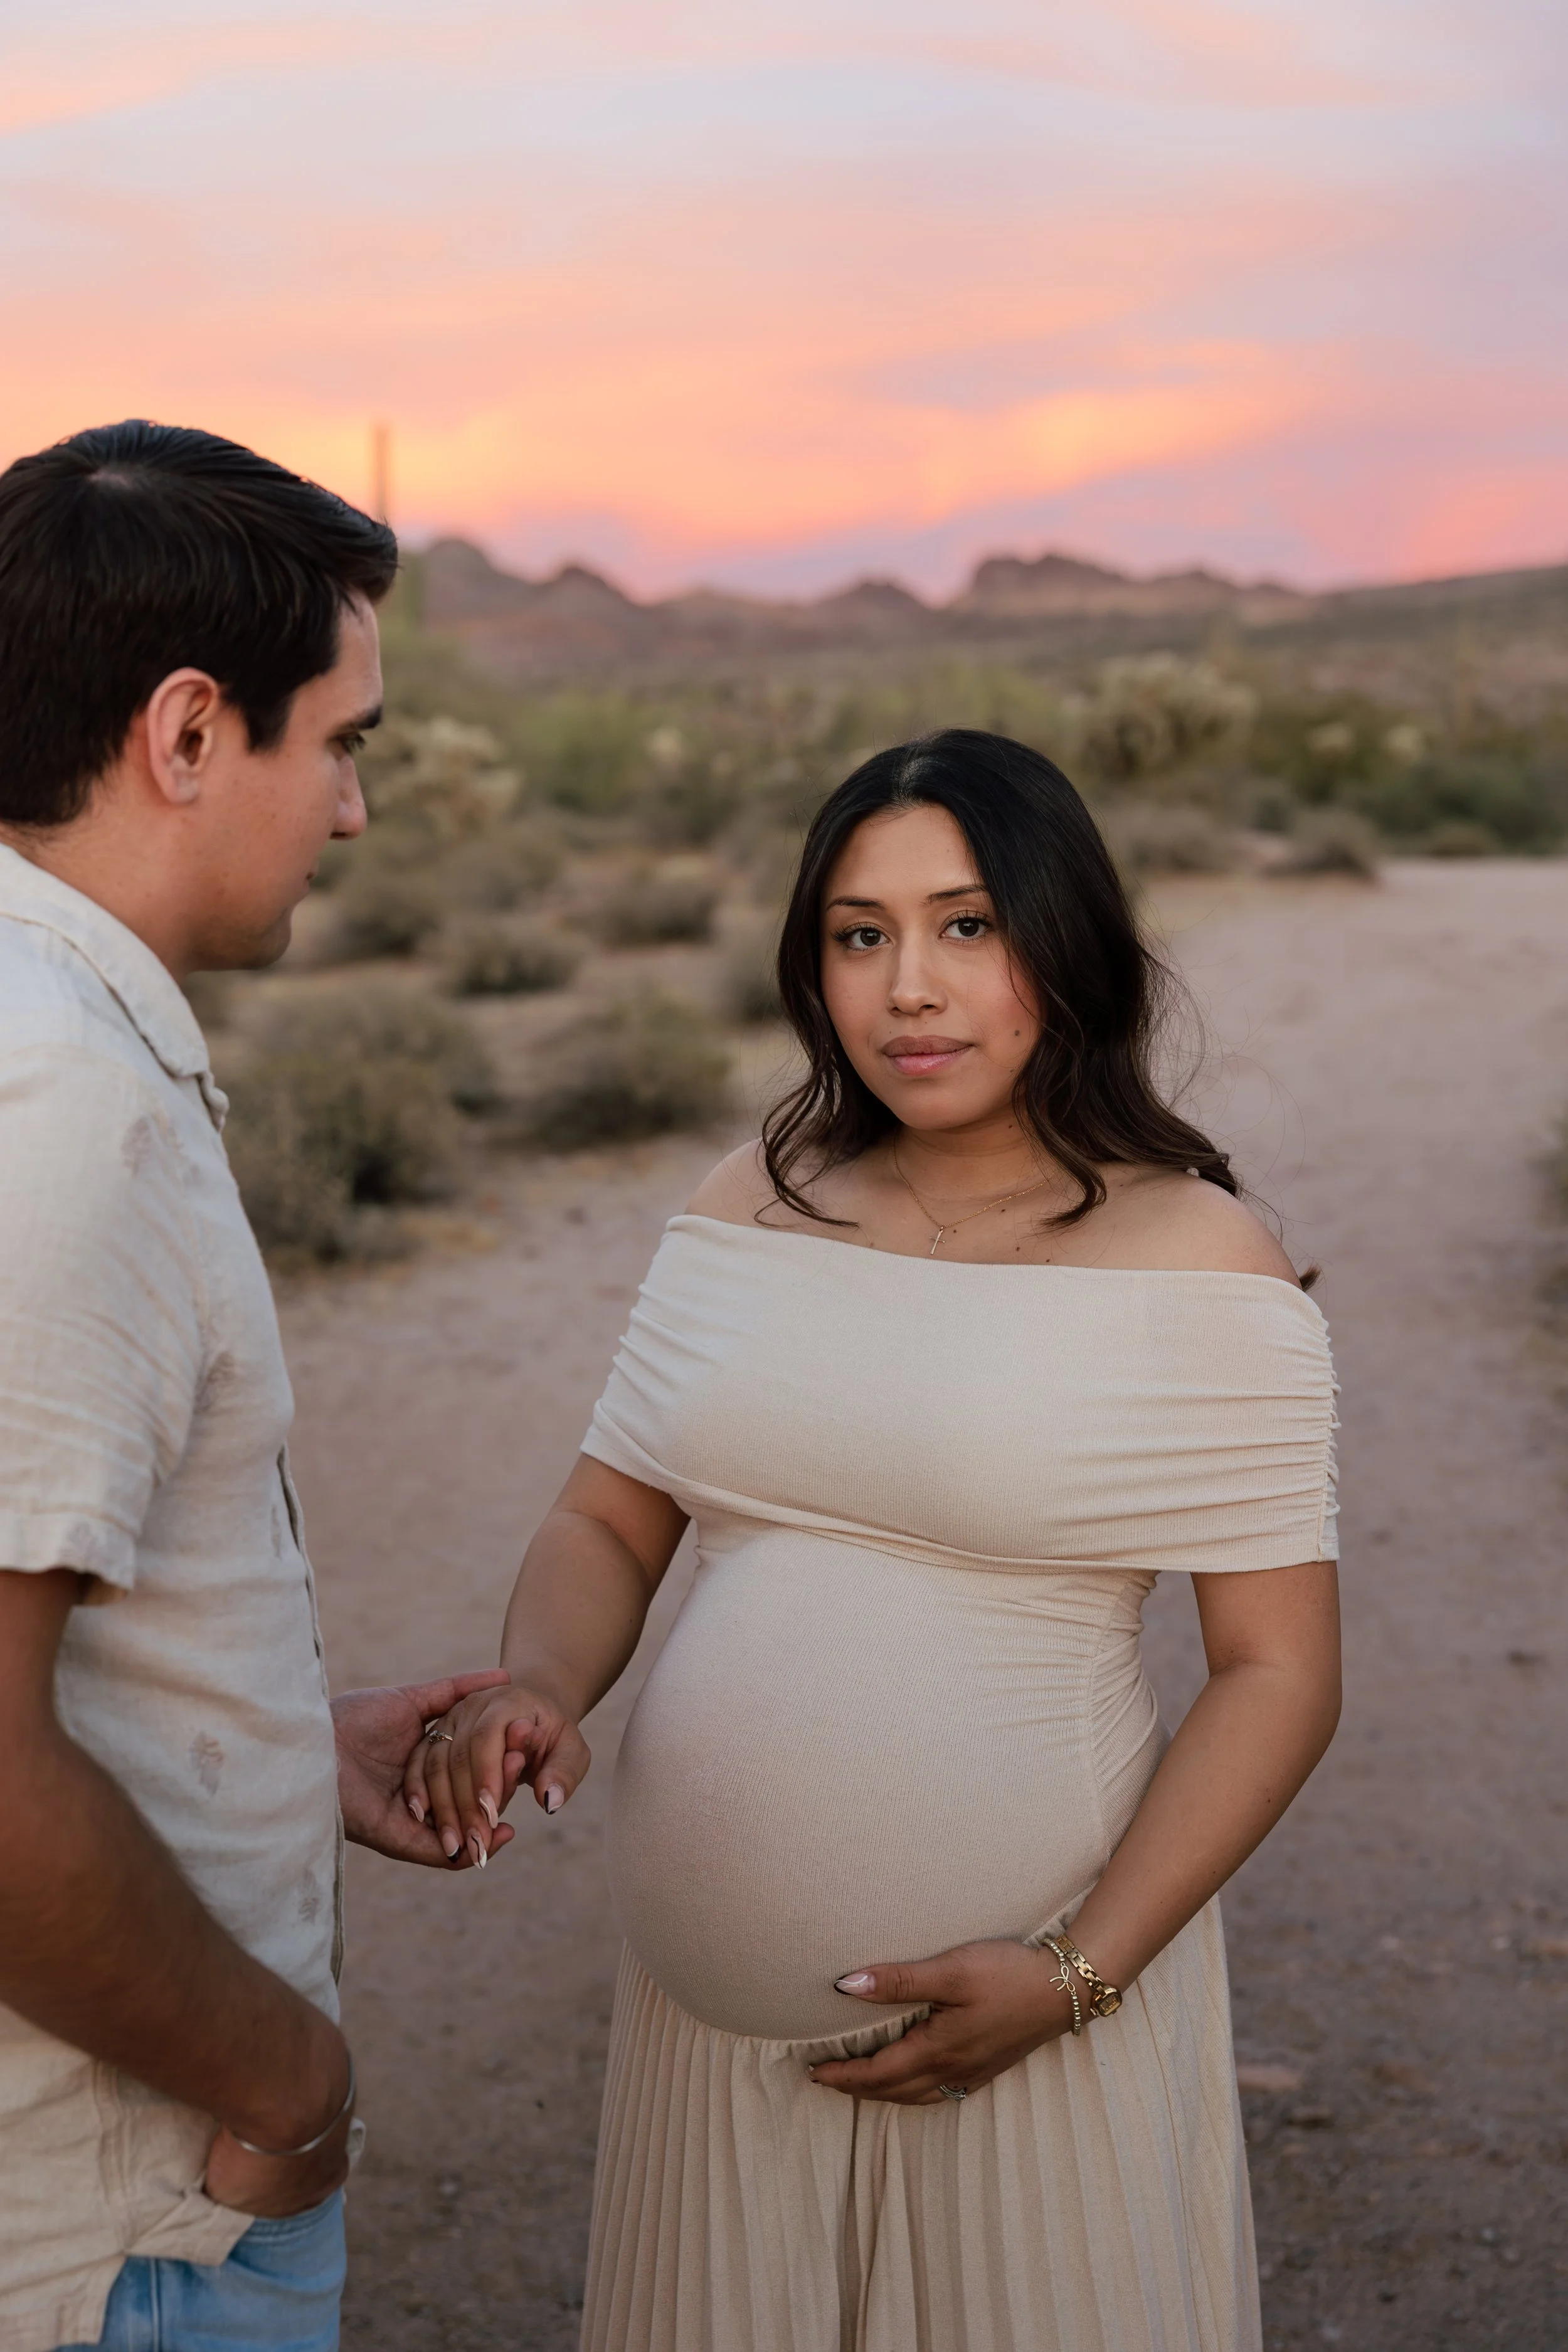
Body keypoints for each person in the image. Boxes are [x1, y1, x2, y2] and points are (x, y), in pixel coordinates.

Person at [414, 730, 1343, 2352]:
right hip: (710, 2063)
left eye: (966, 925)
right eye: (860, 933)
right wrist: (539, 1682)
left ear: (1066, 938)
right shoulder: (744, 1203)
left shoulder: (1200, 1258)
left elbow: (1275, 1673)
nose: (908, 984)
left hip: (1039, 2022)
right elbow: (605, 1514)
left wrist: (1074, 1973)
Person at [0, 421, 520, 2352]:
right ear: (191, 732)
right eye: (347, 741)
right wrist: (288, 2093)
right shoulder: (55, 1105)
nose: (358, 811)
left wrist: (287, 1742)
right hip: (123, 2235)